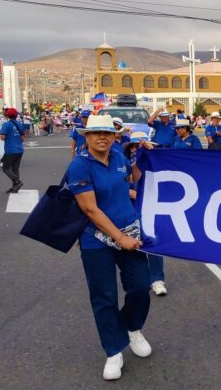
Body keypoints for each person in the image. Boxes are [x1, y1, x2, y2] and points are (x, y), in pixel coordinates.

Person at [67, 115, 153, 380]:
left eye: (107, 132)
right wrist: (120, 238)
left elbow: (131, 178)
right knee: (103, 296)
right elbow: (89, 209)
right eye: (96, 133)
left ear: (114, 135)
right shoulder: (79, 166)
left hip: (130, 232)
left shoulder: (118, 157)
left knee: (140, 287)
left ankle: (132, 327)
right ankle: (113, 350)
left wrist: (143, 157)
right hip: (97, 239)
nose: (102, 137)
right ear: (86, 137)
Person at [0, 108, 26, 193]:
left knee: (5, 168)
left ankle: (17, 181)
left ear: (7, 115)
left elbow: (2, 137)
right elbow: (22, 139)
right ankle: (15, 187)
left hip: (10, 150)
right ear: (16, 115)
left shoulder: (6, 124)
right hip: (20, 149)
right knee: (15, 169)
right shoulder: (20, 124)